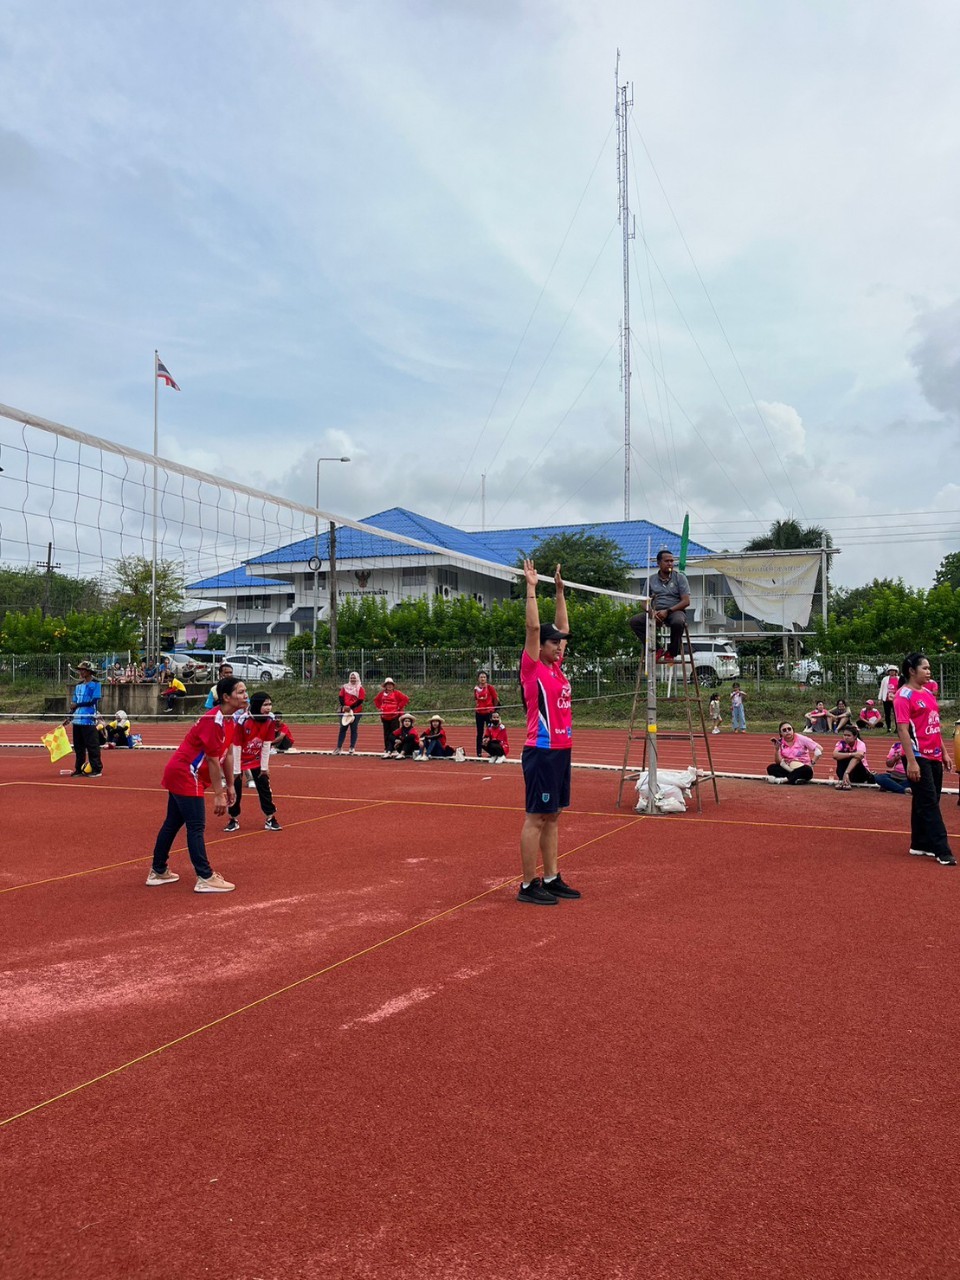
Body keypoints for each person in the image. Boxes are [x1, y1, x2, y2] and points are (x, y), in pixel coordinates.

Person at [145, 676, 248, 892]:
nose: (245, 695)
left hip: (184, 772)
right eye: (240, 692)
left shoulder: (231, 720)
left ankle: (158, 870)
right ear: (226, 697)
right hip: (185, 773)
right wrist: (218, 794)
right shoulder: (214, 720)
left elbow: (228, 754)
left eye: (245, 691)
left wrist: (231, 785)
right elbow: (212, 759)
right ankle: (205, 876)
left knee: (173, 822)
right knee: (196, 826)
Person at [517, 560, 580, 905]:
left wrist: (559, 591)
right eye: (553, 643)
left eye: (560, 643)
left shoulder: (556, 668)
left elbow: (563, 627)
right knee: (537, 817)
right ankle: (528, 885)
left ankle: (552, 877)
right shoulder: (533, 668)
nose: (559, 646)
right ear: (540, 646)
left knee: (553, 815)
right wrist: (531, 587)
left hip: (561, 749)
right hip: (540, 750)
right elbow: (532, 628)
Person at [895, 652, 956, 865]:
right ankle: (941, 849)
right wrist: (911, 761)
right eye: (925, 668)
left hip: (935, 754)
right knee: (929, 802)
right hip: (918, 755)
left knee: (928, 799)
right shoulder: (903, 696)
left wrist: (944, 752)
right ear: (912, 671)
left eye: (929, 668)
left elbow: (934, 726)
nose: (929, 672)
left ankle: (919, 843)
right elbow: (902, 730)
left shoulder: (928, 693)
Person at [224, 691, 285, 832]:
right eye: (265, 705)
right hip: (240, 759)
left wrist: (264, 767)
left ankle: (270, 818)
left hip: (256, 759)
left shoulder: (270, 719)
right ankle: (233, 819)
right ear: (257, 705)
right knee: (235, 790)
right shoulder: (243, 720)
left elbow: (266, 744)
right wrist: (236, 770)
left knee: (264, 788)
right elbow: (237, 745)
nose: (269, 708)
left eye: (270, 704)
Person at [628, 548, 690, 662]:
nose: (670, 563)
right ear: (658, 563)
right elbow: (644, 601)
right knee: (635, 621)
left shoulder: (680, 578)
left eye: (672, 561)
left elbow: (686, 601)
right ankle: (657, 649)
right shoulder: (651, 579)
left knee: (678, 622)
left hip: (675, 611)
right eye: (667, 561)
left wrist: (668, 611)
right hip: (656, 612)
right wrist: (651, 612)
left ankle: (672, 652)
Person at [66, 660, 103, 777]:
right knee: (78, 747)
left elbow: (93, 700)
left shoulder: (96, 684)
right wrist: (70, 716)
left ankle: (96, 768)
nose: (81, 672)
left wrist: (77, 705)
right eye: (80, 670)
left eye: (83, 670)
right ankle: (79, 768)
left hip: (89, 719)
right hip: (77, 720)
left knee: (92, 745)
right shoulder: (78, 686)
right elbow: (74, 702)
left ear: (90, 671)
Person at [374, 677, 410, 757]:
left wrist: (399, 707)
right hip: (385, 716)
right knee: (386, 733)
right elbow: (376, 700)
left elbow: (405, 699)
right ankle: (387, 748)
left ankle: (395, 748)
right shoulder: (381, 694)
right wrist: (380, 708)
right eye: (388, 685)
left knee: (395, 733)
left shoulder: (397, 693)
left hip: (394, 716)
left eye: (391, 684)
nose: (389, 686)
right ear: (385, 686)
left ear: (393, 686)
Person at [334, 672, 365, 754]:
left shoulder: (360, 688)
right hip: (345, 711)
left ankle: (352, 747)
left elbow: (360, 700)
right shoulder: (345, 687)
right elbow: (341, 697)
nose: (352, 679)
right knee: (342, 729)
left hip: (356, 711)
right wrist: (344, 706)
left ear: (357, 678)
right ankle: (339, 747)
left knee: (353, 729)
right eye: (351, 678)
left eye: (354, 678)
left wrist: (351, 707)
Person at [473, 671, 499, 756]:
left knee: (490, 732)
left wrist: (493, 709)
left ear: (486, 678)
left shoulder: (490, 687)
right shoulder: (476, 689)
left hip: (488, 713)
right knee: (479, 733)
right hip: (479, 713)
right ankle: (479, 752)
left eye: (484, 677)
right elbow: (476, 699)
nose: (483, 679)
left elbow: (496, 698)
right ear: (478, 679)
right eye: (481, 677)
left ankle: (491, 752)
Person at [878, 666, 899, 732]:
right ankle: (889, 728)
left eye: (893, 671)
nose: (892, 672)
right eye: (890, 671)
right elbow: (881, 688)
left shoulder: (899, 679)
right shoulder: (885, 679)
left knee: (896, 714)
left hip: (896, 699)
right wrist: (880, 698)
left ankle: (897, 728)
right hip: (886, 699)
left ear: (896, 672)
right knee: (887, 714)